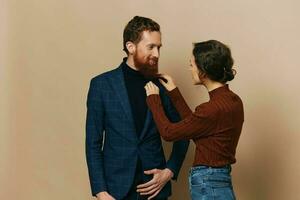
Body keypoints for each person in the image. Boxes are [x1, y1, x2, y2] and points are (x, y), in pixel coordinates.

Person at [85, 16, 189, 200]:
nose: (157, 54)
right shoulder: (101, 85)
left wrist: (170, 170)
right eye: (151, 47)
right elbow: (93, 143)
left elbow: (185, 131)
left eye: (159, 47)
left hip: (155, 189)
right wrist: (100, 191)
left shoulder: (164, 85)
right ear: (131, 47)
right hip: (115, 189)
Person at [144, 40, 244, 200]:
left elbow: (168, 132)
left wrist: (153, 100)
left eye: (191, 65)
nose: (189, 69)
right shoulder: (234, 101)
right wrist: (174, 92)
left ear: (203, 71)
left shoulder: (210, 109)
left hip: (208, 182)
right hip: (220, 179)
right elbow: (197, 127)